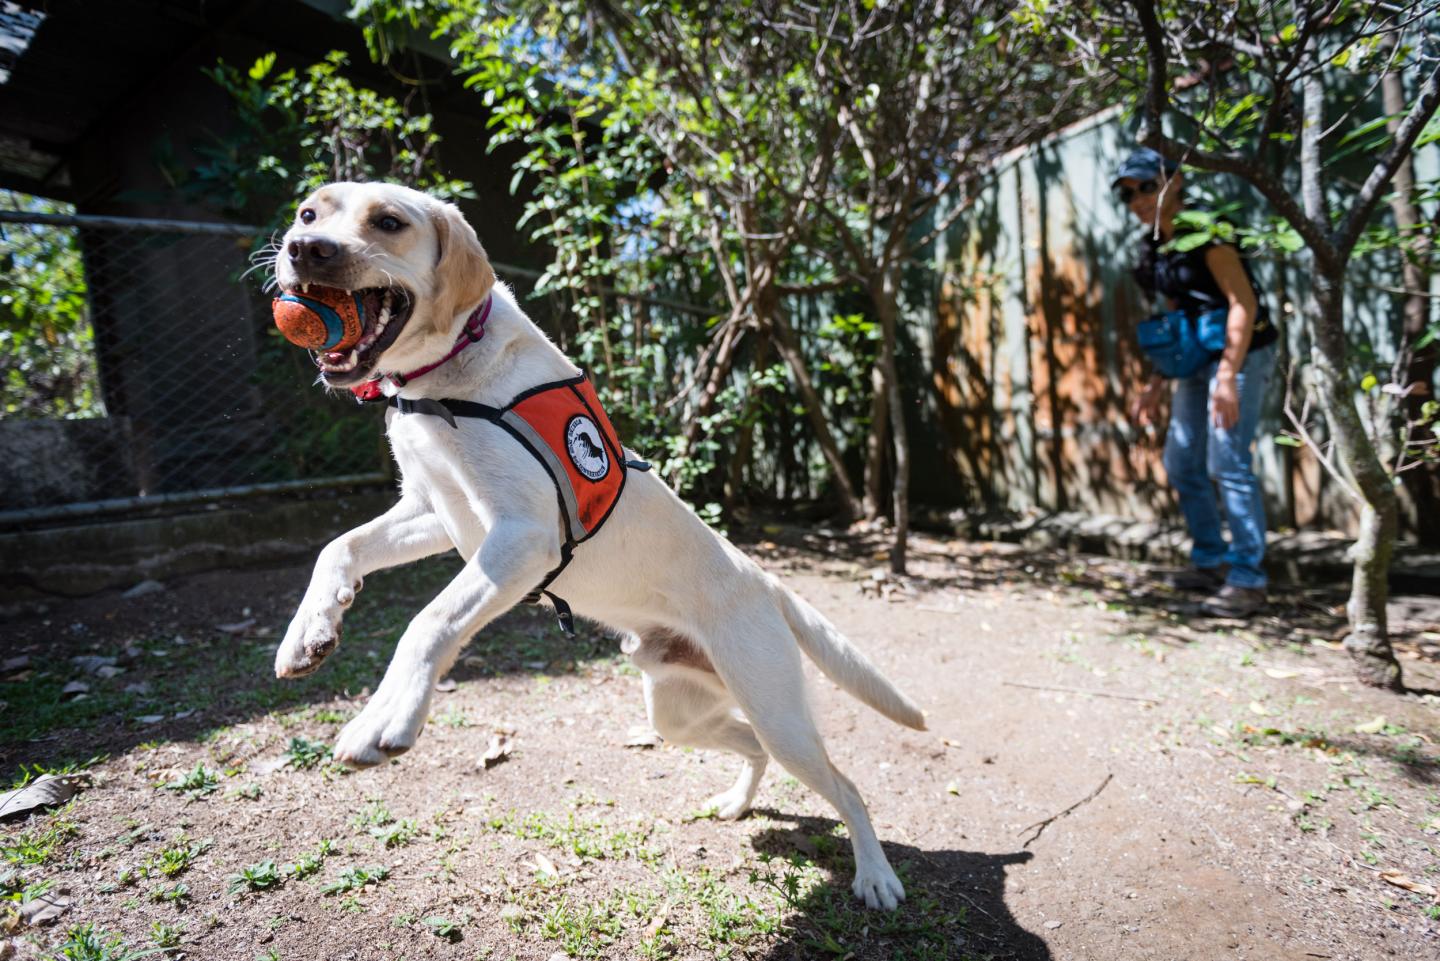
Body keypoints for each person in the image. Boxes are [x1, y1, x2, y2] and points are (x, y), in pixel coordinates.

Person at [1115, 148, 1280, 618]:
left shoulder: (1207, 231)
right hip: (1196, 359)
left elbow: (1243, 303)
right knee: (1182, 460)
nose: (1138, 199)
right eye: (1128, 193)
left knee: (1227, 460)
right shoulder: (1156, 246)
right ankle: (1211, 561)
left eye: (1148, 186)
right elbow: (1178, 319)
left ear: (1176, 182)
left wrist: (1228, 375)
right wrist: (1156, 382)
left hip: (1241, 355)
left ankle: (1248, 579)